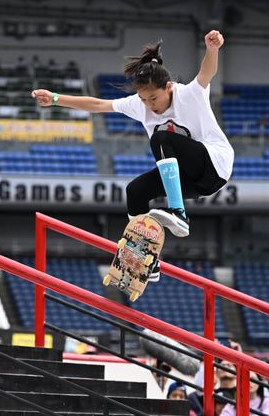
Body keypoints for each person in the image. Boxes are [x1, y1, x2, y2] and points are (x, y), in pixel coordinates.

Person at [31, 32, 233, 280]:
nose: (150, 105)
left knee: (161, 138)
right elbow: (98, 105)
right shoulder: (139, 105)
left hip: (215, 165)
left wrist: (212, 49)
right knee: (135, 190)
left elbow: (206, 73)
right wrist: (55, 99)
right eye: (144, 99)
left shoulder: (190, 95)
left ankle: (179, 213)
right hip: (190, 181)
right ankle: (146, 259)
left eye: (154, 98)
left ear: (168, 87)